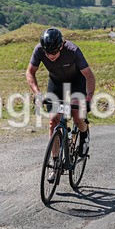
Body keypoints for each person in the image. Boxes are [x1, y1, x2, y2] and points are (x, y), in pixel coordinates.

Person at [26, 28, 96, 179]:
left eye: (54, 52)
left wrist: (89, 99)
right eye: (47, 53)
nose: (50, 56)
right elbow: (30, 72)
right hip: (56, 83)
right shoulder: (39, 50)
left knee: (77, 114)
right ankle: (55, 162)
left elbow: (89, 76)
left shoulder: (73, 51)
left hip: (77, 82)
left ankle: (84, 134)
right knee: (53, 120)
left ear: (61, 46)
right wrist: (37, 93)